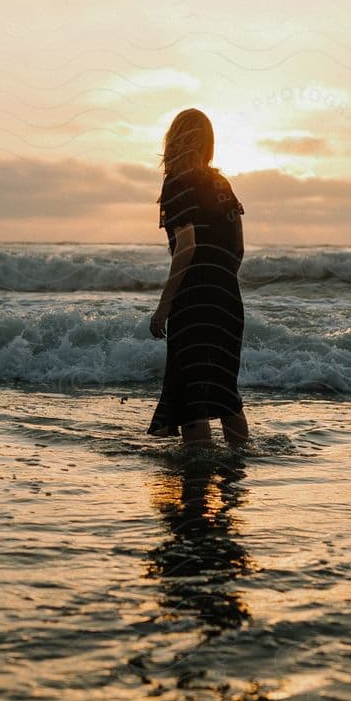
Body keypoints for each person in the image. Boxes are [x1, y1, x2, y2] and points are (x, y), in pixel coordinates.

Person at [148, 108, 249, 448]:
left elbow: (186, 245)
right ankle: (237, 472)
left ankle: (198, 481)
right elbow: (238, 248)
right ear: (208, 144)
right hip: (229, 300)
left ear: (173, 140)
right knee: (225, 395)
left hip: (194, 301)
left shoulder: (177, 182)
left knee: (192, 403)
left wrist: (164, 306)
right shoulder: (222, 184)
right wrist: (221, 286)